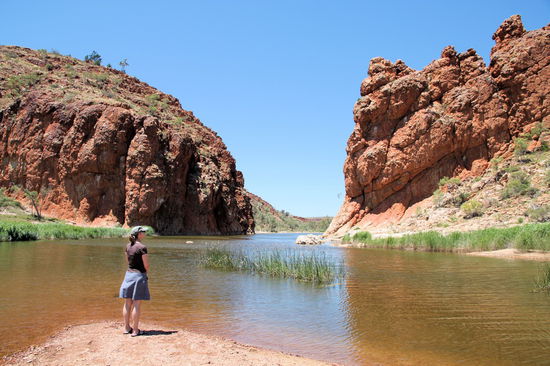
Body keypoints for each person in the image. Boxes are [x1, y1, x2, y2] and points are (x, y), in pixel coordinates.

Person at [119, 226, 150, 337]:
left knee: (127, 303)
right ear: (139, 234)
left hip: (128, 275)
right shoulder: (142, 247)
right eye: (143, 232)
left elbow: (128, 261)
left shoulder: (128, 246)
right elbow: (146, 265)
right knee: (137, 303)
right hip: (139, 276)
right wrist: (145, 273)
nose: (145, 233)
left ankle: (127, 328)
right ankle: (136, 330)